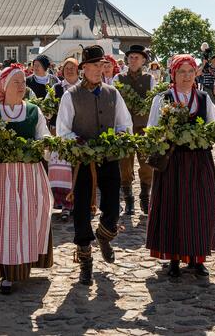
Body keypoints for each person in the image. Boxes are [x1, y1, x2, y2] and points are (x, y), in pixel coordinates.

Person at [56, 45, 133, 285]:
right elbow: (62, 130)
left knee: (112, 208)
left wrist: (121, 136)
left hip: (109, 158)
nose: (100, 70)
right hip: (83, 161)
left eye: (103, 65)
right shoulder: (71, 95)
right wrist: (78, 142)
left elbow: (124, 123)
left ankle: (104, 235)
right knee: (81, 210)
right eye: (96, 65)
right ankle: (85, 260)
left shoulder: (113, 93)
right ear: (84, 68)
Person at [0, 65, 53, 294]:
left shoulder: (33, 111)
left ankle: (27, 261)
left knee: (28, 217)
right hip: (0, 175)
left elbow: (44, 137)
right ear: (4, 86)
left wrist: (44, 147)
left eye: (23, 83)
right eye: (16, 83)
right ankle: (7, 273)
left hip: (29, 174)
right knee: (4, 219)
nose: (22, 87)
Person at [146, 54, 215, 278]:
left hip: (198, 161)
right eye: (181, 72)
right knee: (173, 207)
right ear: (173, 74)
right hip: (173, 162)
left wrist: (202, 136)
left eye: (190, 71)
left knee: (199, 208)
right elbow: (152, 128)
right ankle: (174, 259)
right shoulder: (163, 98)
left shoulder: (203, 98)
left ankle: (198, 258)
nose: (186, 76)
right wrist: (167, 136)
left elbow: (214, 126)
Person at [115, 45, 155, 215]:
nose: (133, 60)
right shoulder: (118, 77)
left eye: (136, 58)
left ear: (143, 60)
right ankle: (128, 197)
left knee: (146, 163)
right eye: (131, 57)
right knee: (125, 163)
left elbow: (154, 103)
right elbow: (114, 102)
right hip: (124, 127)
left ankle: (145, 196)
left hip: (143, 126)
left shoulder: (150, 79)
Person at [47, 57, 78, 220]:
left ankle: (78, 203)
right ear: (62, 70)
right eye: (67, 68)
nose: (70, 70)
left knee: (77, 168)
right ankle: (64, 204)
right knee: (61, 170)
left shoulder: (82, 88)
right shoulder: (57, 88)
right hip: (59, 134)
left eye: (73, 67)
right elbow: (47, 109)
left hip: (80, 134)